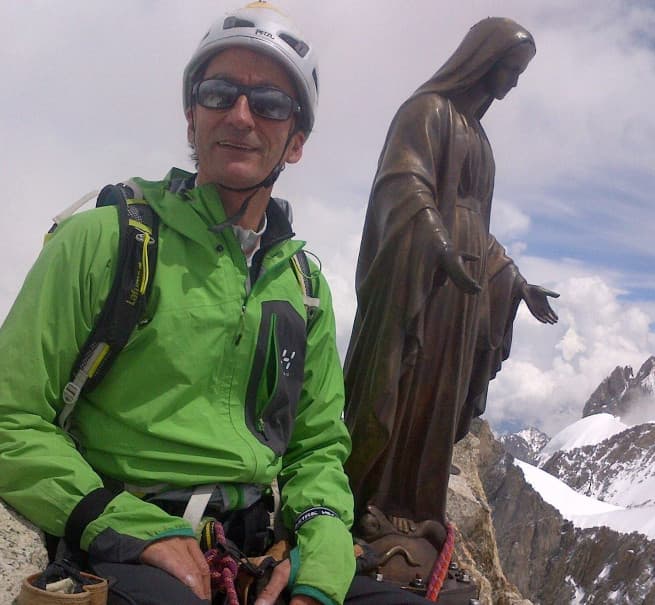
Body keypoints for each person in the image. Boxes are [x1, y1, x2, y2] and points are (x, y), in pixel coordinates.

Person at [0, 4, 426, 605]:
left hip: (257, 549)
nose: (241, 115)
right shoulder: (106, 240)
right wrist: (125, 524)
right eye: (220, 92)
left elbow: (316, 448)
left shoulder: (301, 286)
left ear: (296, 142)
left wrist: (322, 548)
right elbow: (8, 418)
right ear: (191, 114)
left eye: (271, 103)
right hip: (121, 536)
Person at [344, 17, 559, 540]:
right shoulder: (425, 112)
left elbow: (479, 227)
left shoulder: (480, 140)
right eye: (509, 69)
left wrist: (514, 280)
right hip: (420, 275)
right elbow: (403, 183)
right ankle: (372, 495)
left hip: (464, 284)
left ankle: (418, 504)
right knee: (406, 379)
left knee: (442, 390)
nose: (512, 83)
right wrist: (437, 245)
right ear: (483, 61)